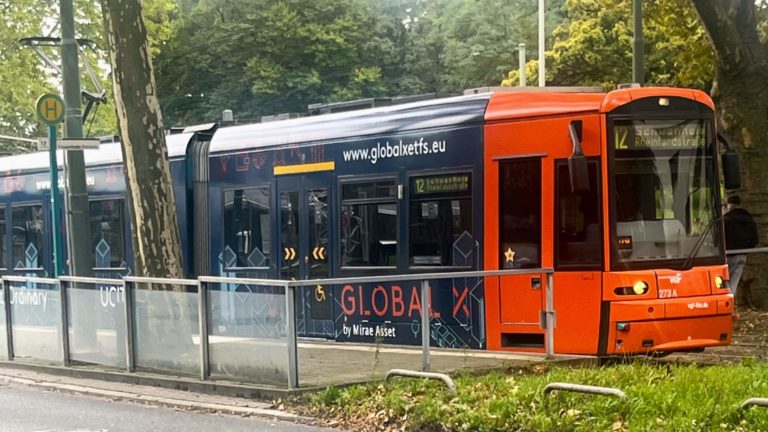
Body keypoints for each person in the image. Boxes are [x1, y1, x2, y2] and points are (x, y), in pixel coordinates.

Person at [724, 195, 759, 297]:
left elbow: (720, 237)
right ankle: (731, 301)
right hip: (742, 256)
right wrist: (745, 249)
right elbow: (755, 240)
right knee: (733, 283)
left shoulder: (727, 219)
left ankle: (725, 304)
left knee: (724, 281)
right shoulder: (749, 219)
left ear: (731, 205)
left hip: (729, 254)